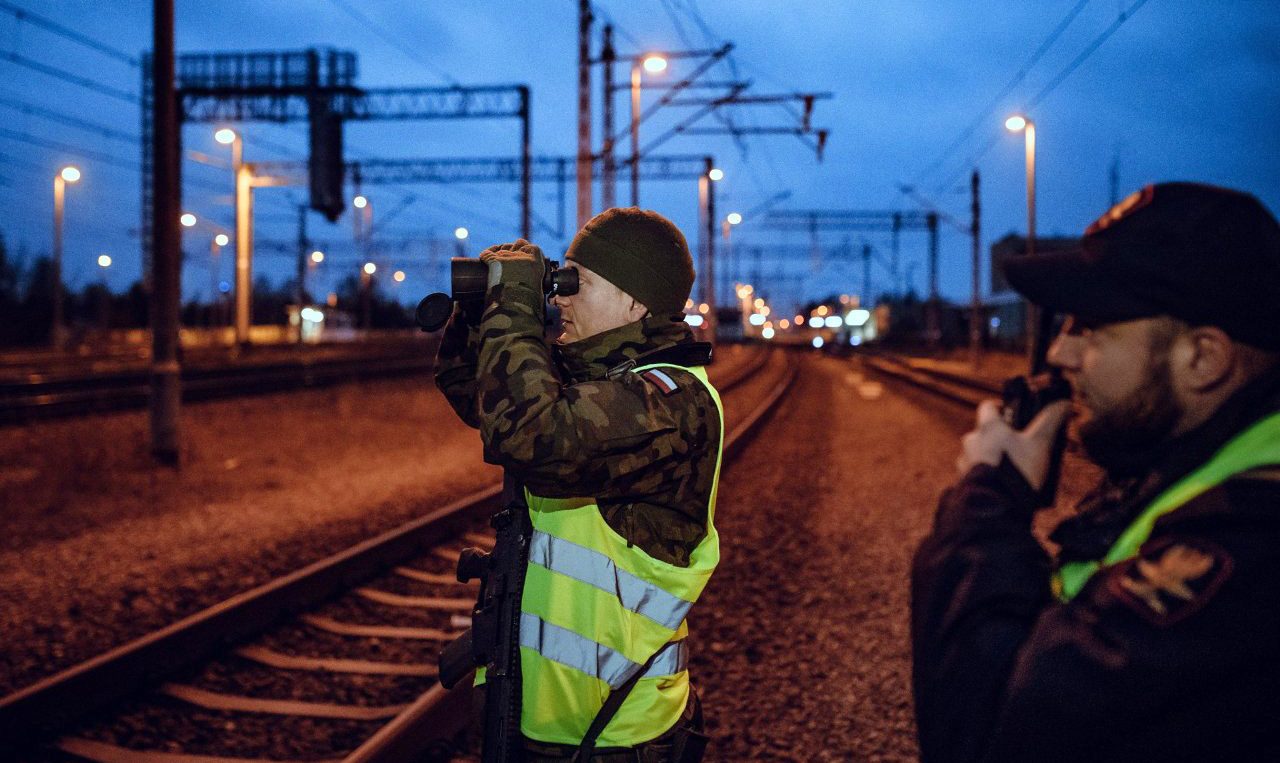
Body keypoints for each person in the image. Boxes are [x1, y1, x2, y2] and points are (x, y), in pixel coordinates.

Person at [910, 182, 1280, 762]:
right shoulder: (1208, 466)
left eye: (1092, 327)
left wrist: (985, 506)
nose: (1061, 354)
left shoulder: (1248, 544)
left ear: (1204, 358)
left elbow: (986, 735)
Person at [435, 207, 722, 762]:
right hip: (538, 719)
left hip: (617, 737)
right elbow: (477, 392)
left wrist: (515, 306)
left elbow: (532, 434)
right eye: (557, 281)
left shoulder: (674, 401)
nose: (559, 298)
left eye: (575, 283)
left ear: (634, 302)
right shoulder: (594, 384)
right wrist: (481, 310)